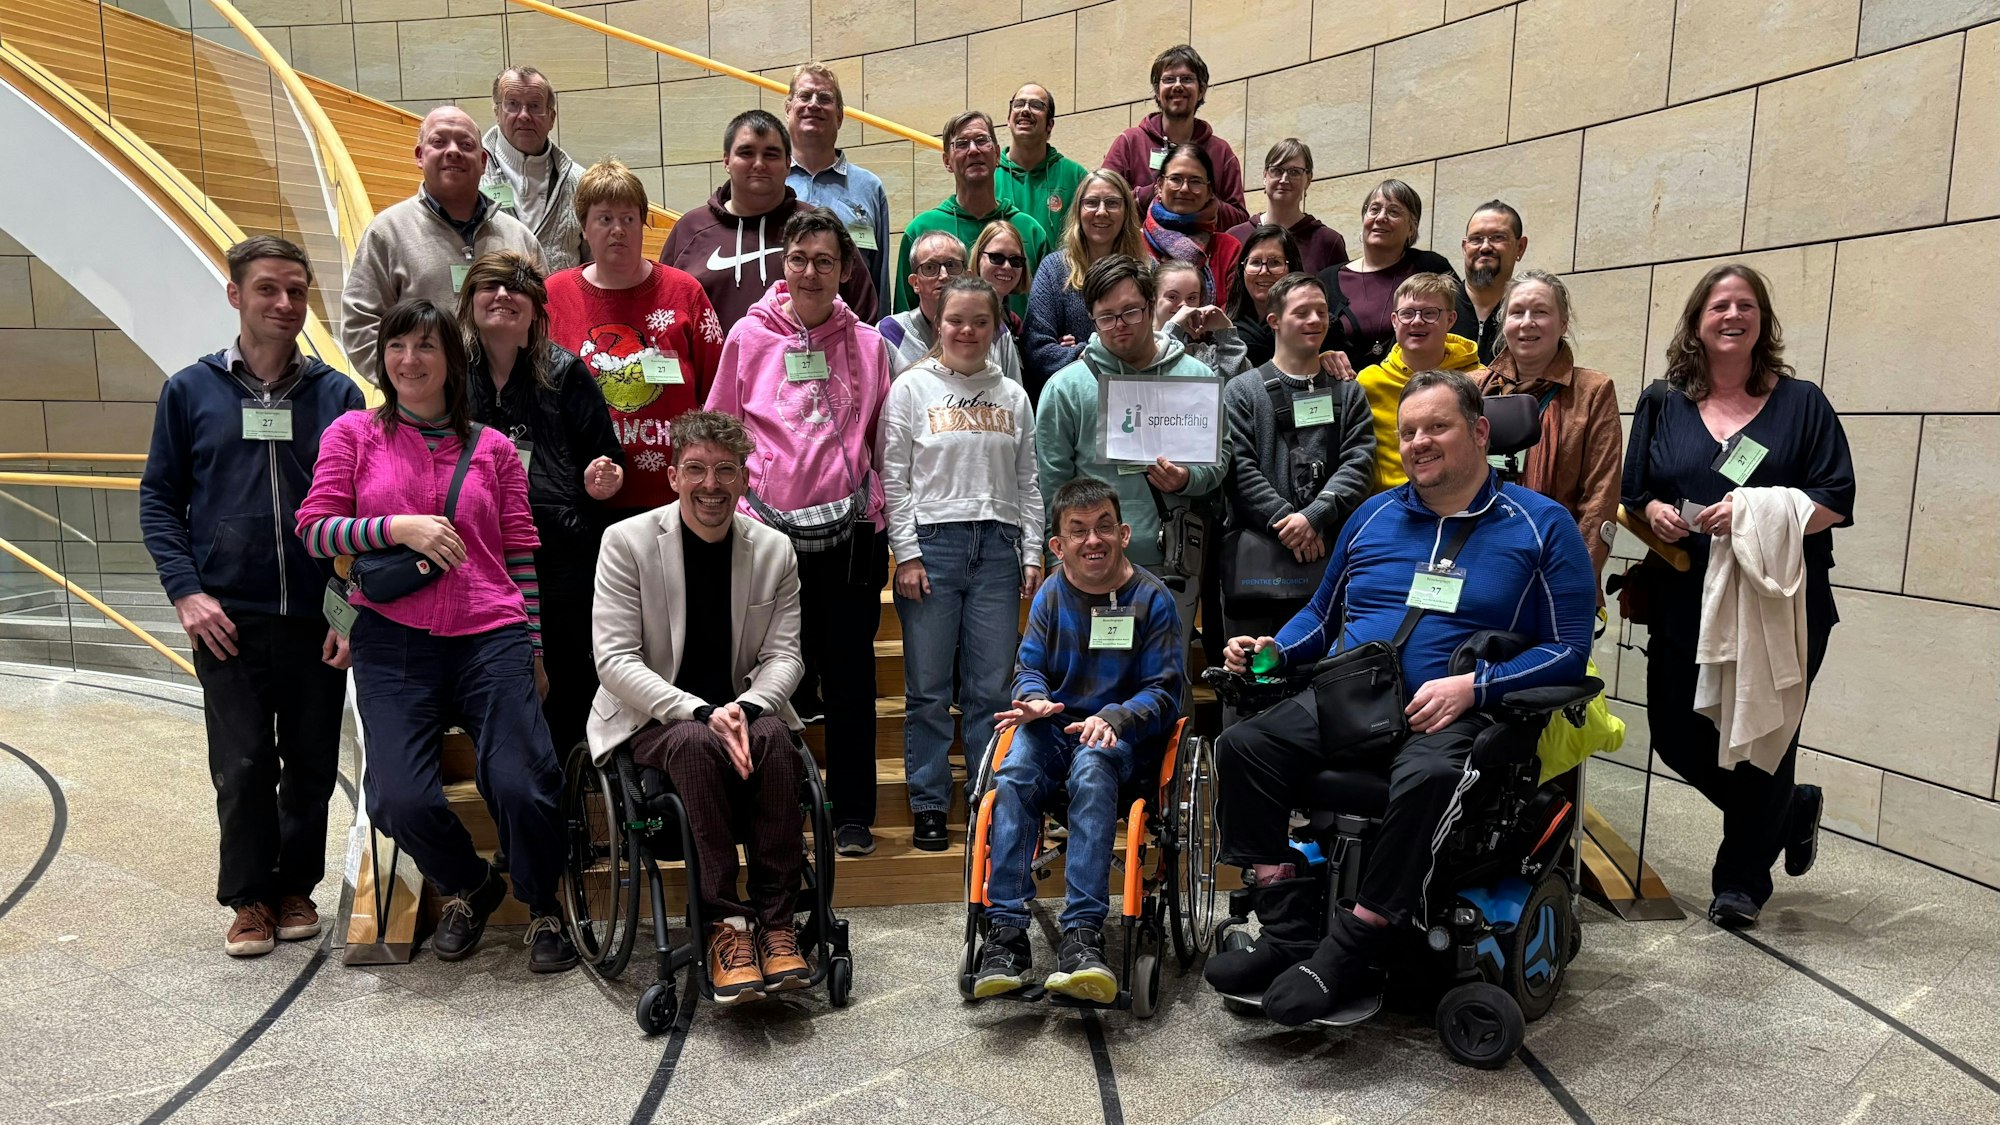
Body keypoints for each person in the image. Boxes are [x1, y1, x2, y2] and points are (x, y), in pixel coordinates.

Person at [1204, 369, 1596, 1025]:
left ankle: (1355, 942)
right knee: (1245, 745)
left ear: (1478, 432)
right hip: (1355, 697)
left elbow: (1568, 650)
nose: (1419, 441)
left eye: (1436, 426)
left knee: (1429, 774)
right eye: (1408, 430)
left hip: (1461, 714)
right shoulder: (1374, 513)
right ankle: (1287, 928)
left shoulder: (1541, 525)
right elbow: (1320, 617)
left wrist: (1477, 686)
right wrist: (1274, 649)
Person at [297, 299, 574, 973]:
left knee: (520, 778)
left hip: (491, 633)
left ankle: (542, 904)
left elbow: (519, 554)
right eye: (397, 347)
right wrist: (397, 528)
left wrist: (533, 643)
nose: (409, 360)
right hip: (392, 638)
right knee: (397, 794)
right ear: (382, 358)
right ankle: (471, 887)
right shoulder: (353, 435)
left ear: (452, 359)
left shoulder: (494, 447)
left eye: (425, 346)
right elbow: (315, 528)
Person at [139, 235, 365, 958]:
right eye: (268, 289)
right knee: (241, 764)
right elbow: (159, 501)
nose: (284, 303)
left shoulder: (337, 395)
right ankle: (247, 898)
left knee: (310, 763)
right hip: (226, 618)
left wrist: (347, 608)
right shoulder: (190, 391)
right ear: (235, 295)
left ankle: (295, 885)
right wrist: (186, 593)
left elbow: (362, 508)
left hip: (313, 617)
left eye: (296, 290)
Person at [1622, 265, 1854, 930]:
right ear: (1697, 321)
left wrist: (1754, 511)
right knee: (1673, 731)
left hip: (1777, 599)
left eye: (1745, 304)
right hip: (1681, 594)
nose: (1732, 314)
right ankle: (1785, 812)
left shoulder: (1803, 403)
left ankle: (1741, 882)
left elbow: (1835, 498)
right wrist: (1656, 513)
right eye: (1719, 304)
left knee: (1762, 737)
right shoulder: (1663, 401)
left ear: (1762, 321)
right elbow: (1636, 493)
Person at [588, 411, 812, 1004]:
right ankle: (724, 926)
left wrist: (745, 706)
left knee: (773, 740)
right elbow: (614, 660)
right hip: (656, 717)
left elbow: (785, 656)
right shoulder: (626, 542)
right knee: (693, 743)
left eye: (724, 471)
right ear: (672, 476)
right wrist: (697, 710)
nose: (710, 484)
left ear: (744, 479)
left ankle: (778, 923)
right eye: (695, 469)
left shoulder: (775, 549)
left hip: (743, 712)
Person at [704, 207, 895, 858]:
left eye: (824, 260)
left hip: (848, 538)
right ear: (782, 266)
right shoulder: (747, 339)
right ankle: (760, 805)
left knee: (850, 678)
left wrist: (882, 517)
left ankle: (852, 811)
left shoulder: (869, 345)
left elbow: (881, 440)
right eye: (798, 259)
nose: (810, 271)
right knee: (762, 676)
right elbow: (720, 431)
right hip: (766, 536)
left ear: (845, 269)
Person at [970, 477, 1184, 1002]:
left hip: (1123, 741)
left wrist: (1115, 716)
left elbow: (1166, 691)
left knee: (1091, 767)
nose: (1094, 540)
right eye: (1078, 531)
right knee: (1015, 771)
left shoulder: (1153, 600)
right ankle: (1005, 935)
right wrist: (1034, 699)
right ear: (1057, 546)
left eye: (1104, 527)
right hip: (1056, 727)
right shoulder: (1050, 594)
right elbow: (1028, 668)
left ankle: (1083, 936)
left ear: (1124, 532)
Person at [880, 277, 1042, 852]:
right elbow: (893, 480)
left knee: (991, 690)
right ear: (938, 325)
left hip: (998, 548)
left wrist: (1032, 549)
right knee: (926, 689)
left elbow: (1029, 481)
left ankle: (984, 800)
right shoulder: (911, 389)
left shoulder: (1013, 396)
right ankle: (928, 803)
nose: (967, 331)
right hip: (934, 547)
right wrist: (907, 553)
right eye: (956, 321)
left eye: (979, 321)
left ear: (996, 327)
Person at [460, 250, 626, 758]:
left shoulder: (567, 373)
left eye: (518, 289)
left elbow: (608, 460)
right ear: (469, 303)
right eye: (491, 286)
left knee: (568, 684)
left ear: (536, 311)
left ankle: (575, 807)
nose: (504, 295)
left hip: (561, 556)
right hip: (478, 557)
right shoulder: (449, 375)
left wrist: (604, 478)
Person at [1037, 254, 1230, 654]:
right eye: (1106, 317)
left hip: (1171, 557)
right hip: (1091, 561)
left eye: (1130, 312)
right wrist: (1058, 560)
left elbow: (1220, 457)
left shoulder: (1195, 377)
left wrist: (1187, 478)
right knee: (1095, 682)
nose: (1119, 326)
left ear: (1151, 306)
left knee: (1168, 682)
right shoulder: (1066, 388)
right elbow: (1053, 482)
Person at [547, 159, 723, 514]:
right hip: (583, 501)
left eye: (628, 219)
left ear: (642, 224)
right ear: (584, 227)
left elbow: (719, 390)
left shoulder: (685, 292)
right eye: (605, 219)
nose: (618, 230)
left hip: (676, 497)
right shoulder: (554, 296)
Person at [1220, 272, 1373, 649]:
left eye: (1321, 312)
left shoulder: (1348, 390)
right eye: (1302, 312)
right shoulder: (1242, 390)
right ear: (1274, 321)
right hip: (1257, 568)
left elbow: (1359, 460)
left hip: (1331, 560)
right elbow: (1239, 467)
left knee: (1321, 674)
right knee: (1253, 673)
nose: (1315, 321)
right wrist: (1288, 523)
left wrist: (1315, 515)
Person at [341, 106, 541, 379]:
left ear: (483, 161)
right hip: (423, 411)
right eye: (439, 142)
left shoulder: (519, 237)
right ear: (420, 156)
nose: (453, 151)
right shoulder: (386, 232)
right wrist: (409, 389)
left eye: (466, 144)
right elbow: (360, 325)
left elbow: (544, 321)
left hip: (512, 406)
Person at [660, 109, 877, 331]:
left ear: (787, 162)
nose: (759, 164)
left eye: (771, 154)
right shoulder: (690, 230)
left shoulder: (820, 227)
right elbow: (662, 315)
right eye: (746, 153)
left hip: (812, 365)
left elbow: (863, 314)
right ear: (726, 161)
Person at [1478, 269, 1622, 580]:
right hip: (1476, 560)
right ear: (1504, 323)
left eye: (1541, 312)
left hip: (1555, 565)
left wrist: (1577, 578)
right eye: (1517, 312)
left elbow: (1600, 496)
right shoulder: (1472, 389)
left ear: (1563, 323)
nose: (1527, 322)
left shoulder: (1593, 391)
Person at [894, 110, 1052, 317]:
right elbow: (905, 321)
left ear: (997, 155)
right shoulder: (921, 230)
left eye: (981, 140)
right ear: (947, 161)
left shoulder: (1030, 231)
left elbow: (1050, 314)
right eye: (961, 144)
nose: (973, 150)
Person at [1358, 273, 1485, 492]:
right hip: (1391, 507)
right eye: (1407, 313)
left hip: (1463, 501)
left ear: (1451, 320)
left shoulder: (1479, 380)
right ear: (1394, 321)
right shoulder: (1369, 382)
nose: (1417, 321)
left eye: (1429, 313)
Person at [1023, 169, 1147, 393]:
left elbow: (1158, 340)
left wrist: (1080, 352)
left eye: (1112, 203)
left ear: (1126, 211)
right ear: (1078, 210)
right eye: (1091, 203)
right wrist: (1107, 352)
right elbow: (1038, 352)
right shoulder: (1053, 270)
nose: (1101, 212)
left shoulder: (1147, 269)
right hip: (1074, 399)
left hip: (1138, 396)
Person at [1317, 179, 1459, 372]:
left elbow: (1459, 329)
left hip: (1421, 388)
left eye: (1393, 212)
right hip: (1346, 395)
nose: (1381, 217)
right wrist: (1320, 356)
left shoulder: (1431, 267)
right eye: (1374, 209)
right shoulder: (1326, 280)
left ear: (1411, 228)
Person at [1103, 45, 1248, 228]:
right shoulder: (1130, 142)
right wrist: (1153, 192)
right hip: (1137, 253)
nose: (1178, 86)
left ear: (1201, 90)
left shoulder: (1221, 151)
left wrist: (1204, 199)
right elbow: (1104, 203)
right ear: (1157, 90)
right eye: (1169, 79)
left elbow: (1240, 222)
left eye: (1187, 79)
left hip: (1205, 254)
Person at [785, 62, 892, 301]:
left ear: (840, 116)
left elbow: (879, 280)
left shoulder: (869, 187)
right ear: (788, 108)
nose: (813, 104)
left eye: (824, 98)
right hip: (780, 333)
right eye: (804, 96)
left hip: (851, 334)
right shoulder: (770, 183)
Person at [879, 230, 1024, 382]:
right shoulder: (890, 333)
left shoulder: (994, 331)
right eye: (930, 267)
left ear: (967, 276)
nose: (944, 275)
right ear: (915, 283)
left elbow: (1012, 397)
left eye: (952, 265)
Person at [482, 66, 586, 272]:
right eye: (512, 104)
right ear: (497, 113)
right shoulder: (472, 175)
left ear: (552, 117)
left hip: (560, 304)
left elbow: (595, 266)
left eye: (535, 106)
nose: (524, 115)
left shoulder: (580, 182)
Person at [1142, 144, 1244, 310]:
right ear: (1160, 185)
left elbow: (1233, 313)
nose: (1184, 189)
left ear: (1210, 191)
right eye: (1175, 179)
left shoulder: (1228, 249)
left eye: (1196, 181)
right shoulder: (1136, 244)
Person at [1224, 139, 1347, 275]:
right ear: (1265, 176)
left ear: (1308, 179)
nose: (1284, 179)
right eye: (1277, 170)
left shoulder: (1328, 242)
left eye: (1294, 172)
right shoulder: (1234, 237)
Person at [995, 83, 1089, 246]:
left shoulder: (1075, 176)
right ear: (1008, 120)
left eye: (1036, 105)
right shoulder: (988, 174)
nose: (1025, 110)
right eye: (1019, 104)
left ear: (1050, 124)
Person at [1221, 223, 1303, 369]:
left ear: (1292, 269)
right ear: (1243, 269)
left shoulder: (1312, 323)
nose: (1264, 271)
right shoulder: (1224, 323)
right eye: (1255, 262)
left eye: (1275, 262)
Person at [1455, 201, 1527, 364]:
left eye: (1498, 237)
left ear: (1520, 247)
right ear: (1465, 247)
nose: (1485, 247)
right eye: (1476, 239)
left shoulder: (1529, 317)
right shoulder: (1435, 311)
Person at [1154, 259, 1247, 381]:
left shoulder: (1202, 355)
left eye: (1192, 298)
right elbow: (1153, 370)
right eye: (1172, 297)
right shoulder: (1133, 345)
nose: (1184, 306)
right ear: (1152, 298)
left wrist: (1227, 333)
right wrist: (1174, 326)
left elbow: (1232, 387)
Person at [971, 219, 1031, 344]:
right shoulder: (961, 317)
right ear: (978, 259)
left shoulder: (1014, 323)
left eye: (1015, 260)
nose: (1007, 266)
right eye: (996, 257)